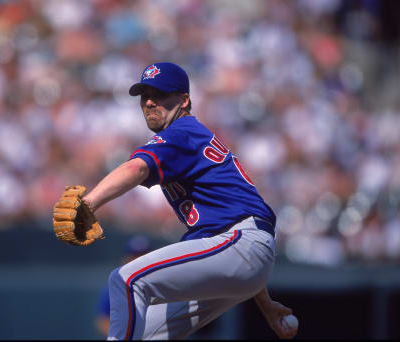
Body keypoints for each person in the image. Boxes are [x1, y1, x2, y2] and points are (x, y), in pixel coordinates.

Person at [82, 62, 298, 340]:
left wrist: (88, 204)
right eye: (144, 94)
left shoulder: (181, 132)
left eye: (159, 94)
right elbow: (239, 229)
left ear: (184, 100)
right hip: (238, 249)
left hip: (240, 243)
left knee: (126, 280)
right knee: (143, 332)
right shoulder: (191, 137)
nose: (149, 101)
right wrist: (264, 302)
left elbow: (136, 169)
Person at [95, 235, 153, 338]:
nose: (139, 260)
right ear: (126, 258)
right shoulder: (115, 286)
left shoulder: (160, 281)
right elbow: (103, 321)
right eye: (135, 255)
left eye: (144, 255)